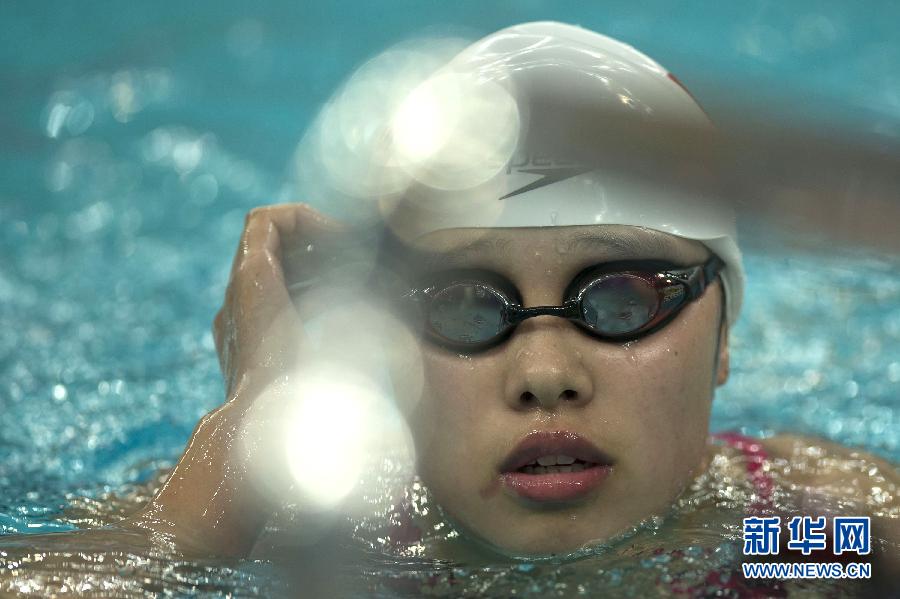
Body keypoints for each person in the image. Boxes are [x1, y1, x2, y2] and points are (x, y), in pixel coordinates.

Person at [6, 21, 898, 586]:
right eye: (467, 308)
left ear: (726, 334)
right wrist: (250, 428)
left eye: (622, 299)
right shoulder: (342, 530)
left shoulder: (771, 534)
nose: (545, 374)